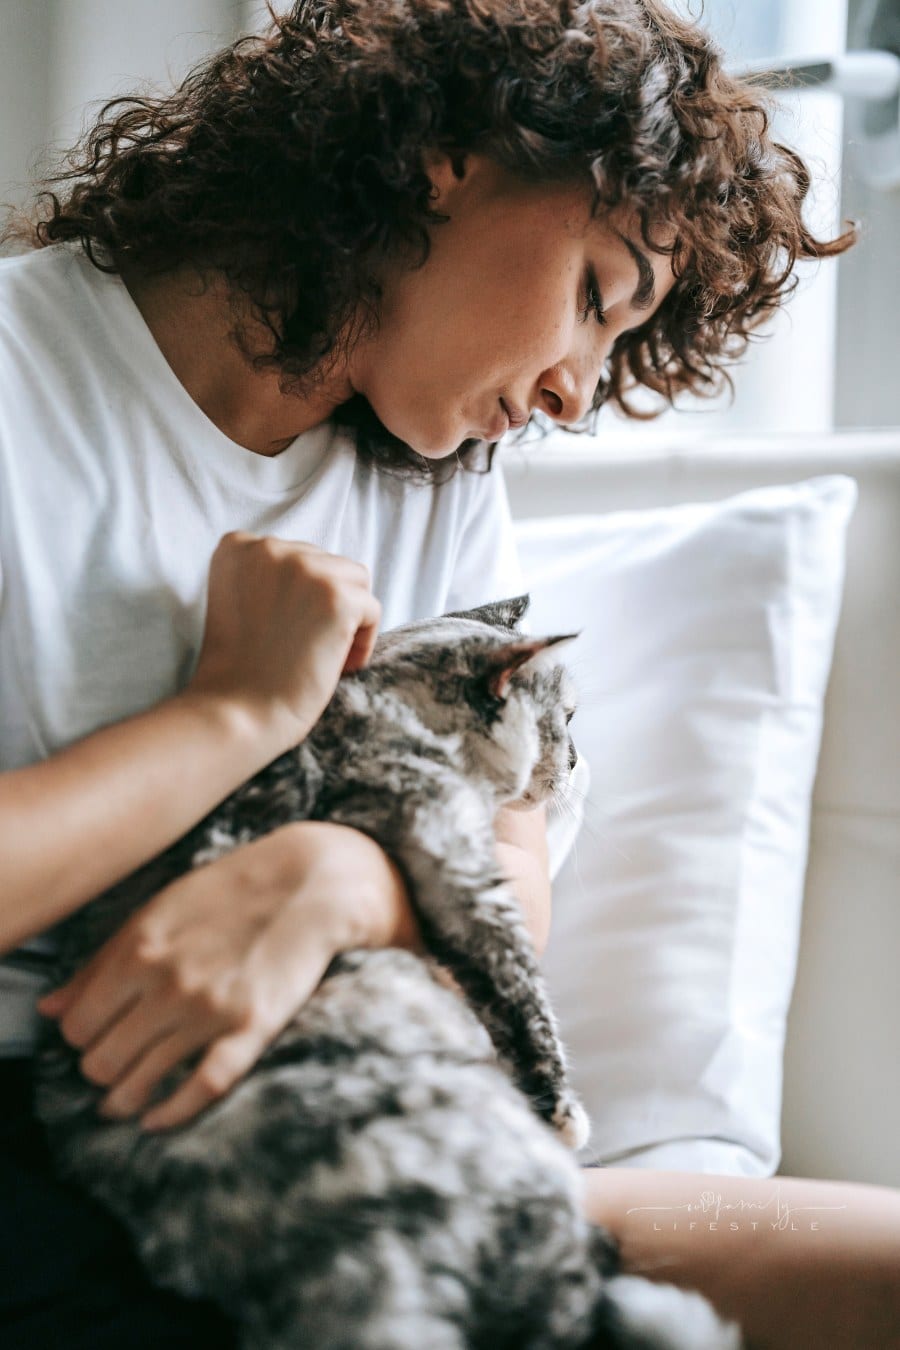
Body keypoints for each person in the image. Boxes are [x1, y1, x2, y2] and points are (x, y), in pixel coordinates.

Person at [0, 1, 896, 1345]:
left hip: (366, 1124)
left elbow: (508, 880)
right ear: (440, 163)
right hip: (75, 1139)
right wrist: (235, 712)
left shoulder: (433, 471)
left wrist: (345, 880)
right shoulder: (25, 382)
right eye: (593, 295)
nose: (575, 394)